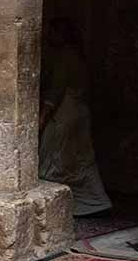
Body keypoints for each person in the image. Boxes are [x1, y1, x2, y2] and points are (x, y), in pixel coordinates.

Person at [39, 18, 112, 217]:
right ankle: (96, 201)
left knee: (54, 160)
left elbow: (56, 90)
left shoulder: (66, 56)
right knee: (81, 159)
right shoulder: (77, 55)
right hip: (79, 113)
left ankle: (54, 208)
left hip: (65, 114)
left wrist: (43, 117)